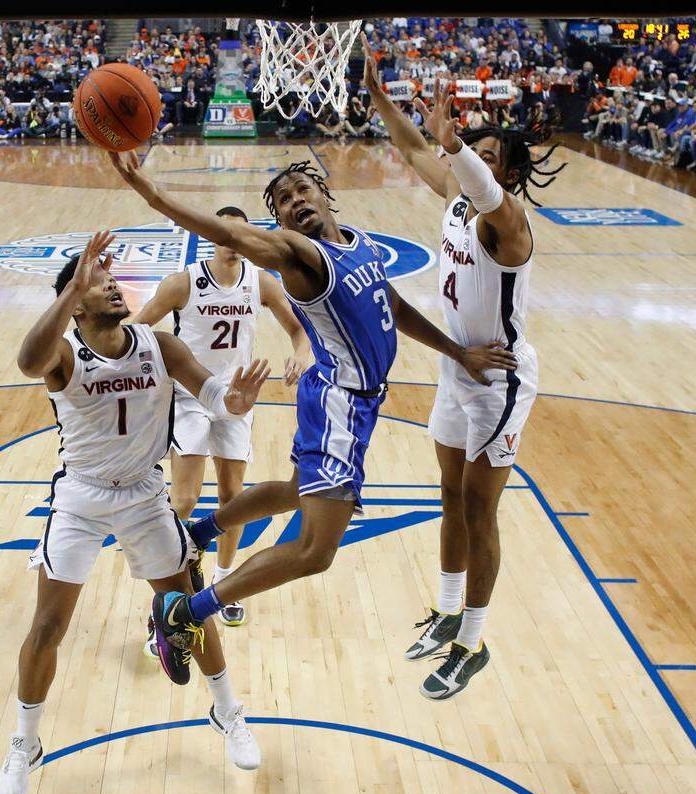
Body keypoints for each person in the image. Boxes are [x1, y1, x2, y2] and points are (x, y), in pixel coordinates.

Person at [111, 141, 517, 689]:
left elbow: (392, 308)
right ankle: (186, 612)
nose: (294, 201)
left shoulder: (362, 245)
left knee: (295, 489)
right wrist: (151, 192)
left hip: (355, 399)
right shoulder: (302, 256)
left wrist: (457, 351)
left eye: (302, 189)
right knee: (314, 551)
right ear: (279, 223)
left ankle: (200, 531)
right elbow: (229, 235)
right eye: (282, 201)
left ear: (326, 194)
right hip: (339, 403)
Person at [0, 232, 267, 794]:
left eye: (115, 281)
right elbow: (25, 362)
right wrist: (72, 287)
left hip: (144, 495)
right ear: (75, 301)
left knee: (189, 606)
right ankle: (25, 741)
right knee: (48, 624)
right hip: (81, 498)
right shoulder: (64, 354)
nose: (114, 287)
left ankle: (227, 712)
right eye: (100, 283)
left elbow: (211, 393)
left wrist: (234, 402)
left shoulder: (157, 344)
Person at [364, 38, 563, 699]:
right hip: (459, 366)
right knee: (447, 496)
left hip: (501, 378)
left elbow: (462, 169)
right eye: (469, 147)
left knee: (481, 509)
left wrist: (456, 148)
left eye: (485, 154)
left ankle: (472, 643)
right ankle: (448, 611)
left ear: (503, 172)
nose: (470, 157)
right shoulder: (456, 192)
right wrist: (379, 96)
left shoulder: (508, 223)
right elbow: (417, 150)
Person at [133, 206, 313, 642]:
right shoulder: (183, 282)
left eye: (239, 233)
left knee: (233, 497)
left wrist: (301, 352)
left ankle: (223, 585)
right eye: (223, 233)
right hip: (191, 396)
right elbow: (137, 329)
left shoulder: (261, 281)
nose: (231, 241)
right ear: (210, 238)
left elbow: (299, 329)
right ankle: (168, 596)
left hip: (237, 400)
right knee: (185, 499)